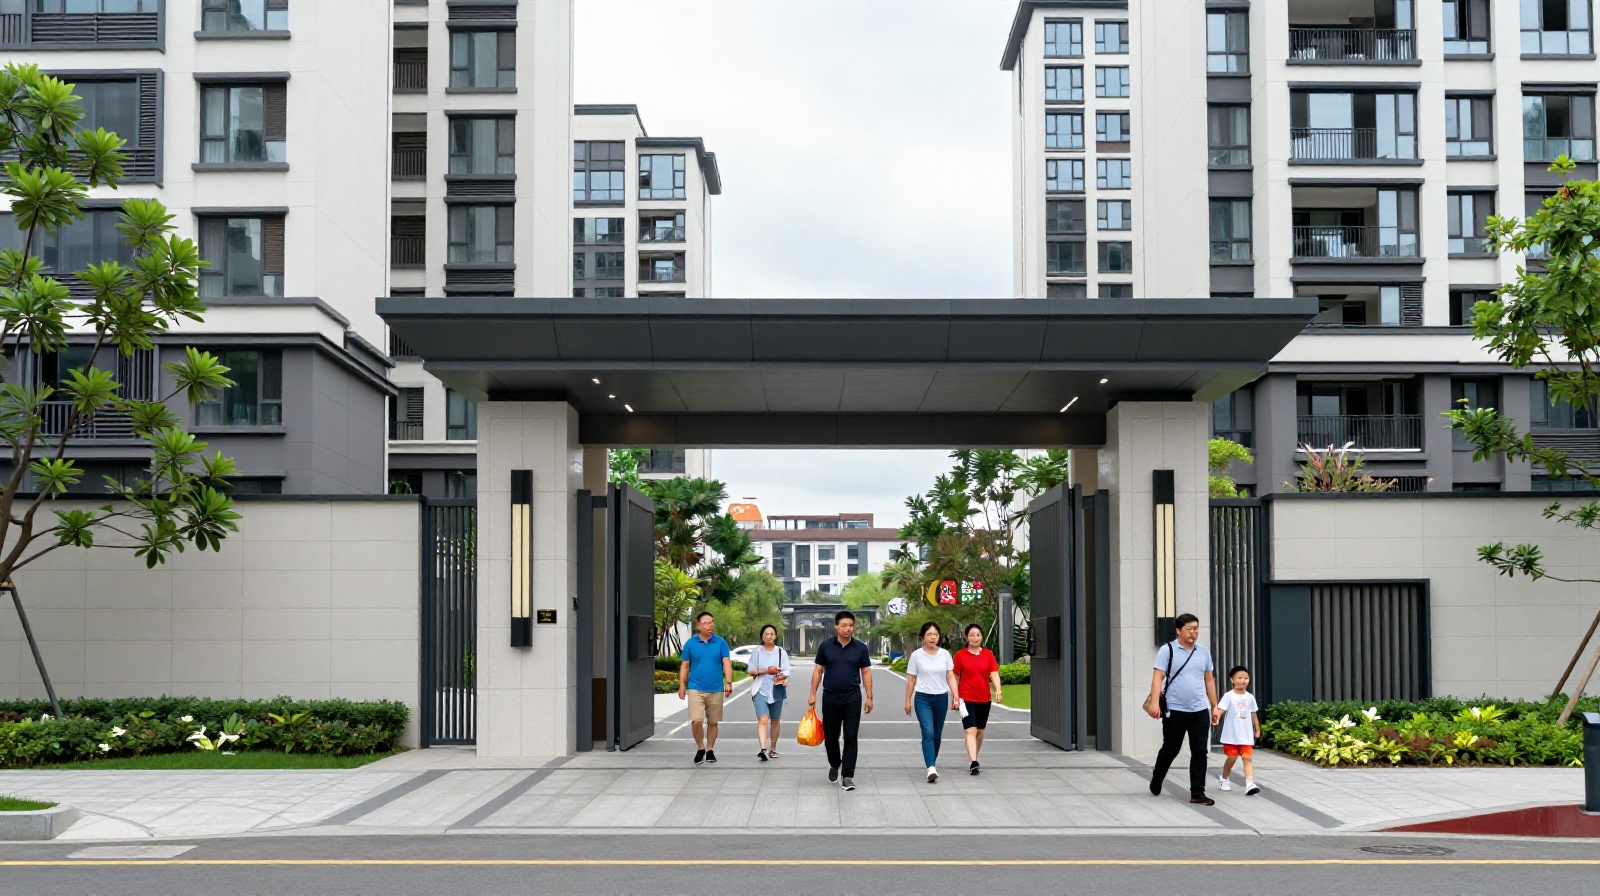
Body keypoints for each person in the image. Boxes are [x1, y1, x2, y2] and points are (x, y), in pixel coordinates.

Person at [1145, 613, 1219, 805]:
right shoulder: (1167, 650)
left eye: (1196, 628)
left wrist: (1215, 705)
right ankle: (1158, 777)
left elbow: (1209, 679)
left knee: (1200, 751)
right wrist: (1154, 702)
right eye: (1189, 629)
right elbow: (1158, 677)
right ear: (1178, 630)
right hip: (1175, 709)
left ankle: (1198, 792)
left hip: (1199, 709)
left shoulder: (1203, 652)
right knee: (1171, 748)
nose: (1193, 632)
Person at [808, 610, 873, 792]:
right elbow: (818, 670)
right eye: (843, 625)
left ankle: (847, 776)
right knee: (831, 737)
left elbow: (866, 672)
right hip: (831, 697)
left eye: (850, 625)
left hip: (852, 697)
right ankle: (835, 763)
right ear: (836, 627)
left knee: (851, 737)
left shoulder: (861, 648)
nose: (847, 628)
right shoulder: (826, 646)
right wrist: (812, 693)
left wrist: (869, 696)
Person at [902, 620, 958, 783]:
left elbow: (950, 676)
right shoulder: (916, 655)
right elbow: (911, 679)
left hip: (941, 697)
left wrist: (956, 696)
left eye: (935, 634)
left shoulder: (945, 654)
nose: (933, 637)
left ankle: (932, 761)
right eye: (929, 635)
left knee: (937, 734)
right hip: (922, 698)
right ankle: (931, 767)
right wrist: (908, 701)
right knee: (928, 732)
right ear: (922, 637)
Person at [677, 610, 732, 766]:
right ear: (698, 625)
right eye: (706, 622)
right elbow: (685, 666)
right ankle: (700, 747)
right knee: (696, 720)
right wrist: (682, 685)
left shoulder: (721, 643)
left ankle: (709, 750)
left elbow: (726, 663)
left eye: (711, 622)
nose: (710, 625)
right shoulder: (691, 644)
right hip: (696, 687)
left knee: (713, 722)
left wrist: (728, 682)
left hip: (716, 687)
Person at [951, 623, 1002, 776]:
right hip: (966, 698)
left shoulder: (988, 655)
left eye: (978, 634)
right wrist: (955, 696)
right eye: (972, 635)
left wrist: (998, 690)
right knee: (970, 730)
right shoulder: (960, 655)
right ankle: (974, 762)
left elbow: (994, 673)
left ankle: (974, 758)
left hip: (984, 698)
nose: (975, 638)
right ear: (966, 637)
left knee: (980, 731)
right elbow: (955, 676)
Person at [1213, 665, 1262, 796]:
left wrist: (1257, 729)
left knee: (1247, 758)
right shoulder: (1229, 696)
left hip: (1246, 736)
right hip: (1231, 735)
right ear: (1232, 680)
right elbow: (1221, 710)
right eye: (1240, 677)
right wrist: (1216, 717)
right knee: (1232, 757)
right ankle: (1224, 778)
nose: (1243, 680)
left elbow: (1253, 714)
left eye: (1246, 678)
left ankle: (1250, 784)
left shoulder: (1250, 697)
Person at [749, 624, 791, 761]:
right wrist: (767, 670)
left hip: (776, 688)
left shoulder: (781, 652)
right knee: (763, 718)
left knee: (775, 720)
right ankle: (763, 748)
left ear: (776, 636)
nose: (769, 636)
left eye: (772, 633)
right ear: (762, 636)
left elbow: (786, 671)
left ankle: (773, 748)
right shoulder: (757, 652)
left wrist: (780, 676)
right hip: (760, 688)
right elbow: (751, 670)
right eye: (766, 634)